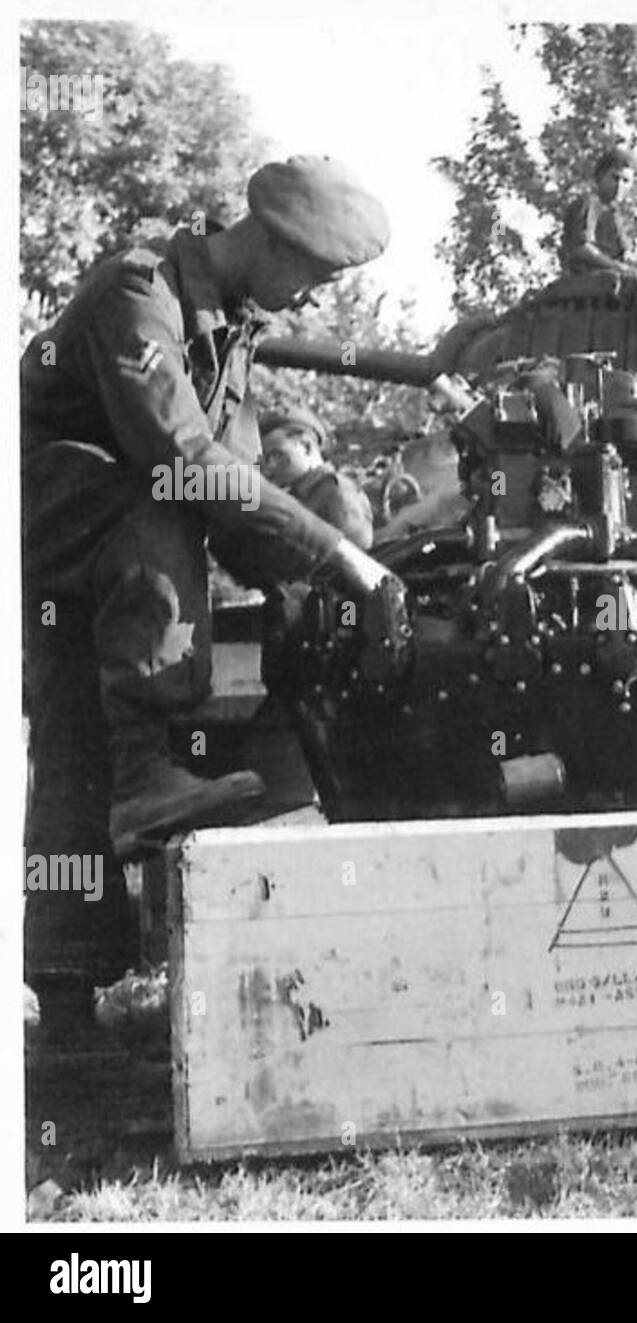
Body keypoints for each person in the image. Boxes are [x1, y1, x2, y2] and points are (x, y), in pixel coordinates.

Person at [21, 156, 405, 1027]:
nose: (312, 297)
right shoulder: (138, 291)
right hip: (48, 520)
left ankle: (71, 1015)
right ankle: (137, 786)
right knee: (162, 505)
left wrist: (308, 585)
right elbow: (183, 462)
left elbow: (235, 503)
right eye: (315, 273)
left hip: (104, 557)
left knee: (80, 745)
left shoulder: (229, 333)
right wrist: (342, 552)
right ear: (268, 241)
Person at [259, 405, 374, 549]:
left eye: (276, 455)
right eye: (265, 460)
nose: (269, 468)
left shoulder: (336, 490)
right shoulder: (298, 493)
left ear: (306, 446)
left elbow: (358, 552)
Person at [559, 147, 635, 276]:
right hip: (586, 280)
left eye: (625, 181)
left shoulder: (619, 217)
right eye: (615, 178)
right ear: (600, 177)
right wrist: (616, 266)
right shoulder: (588, 204)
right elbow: (581, 248)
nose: (619, 186)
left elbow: (626, 254)